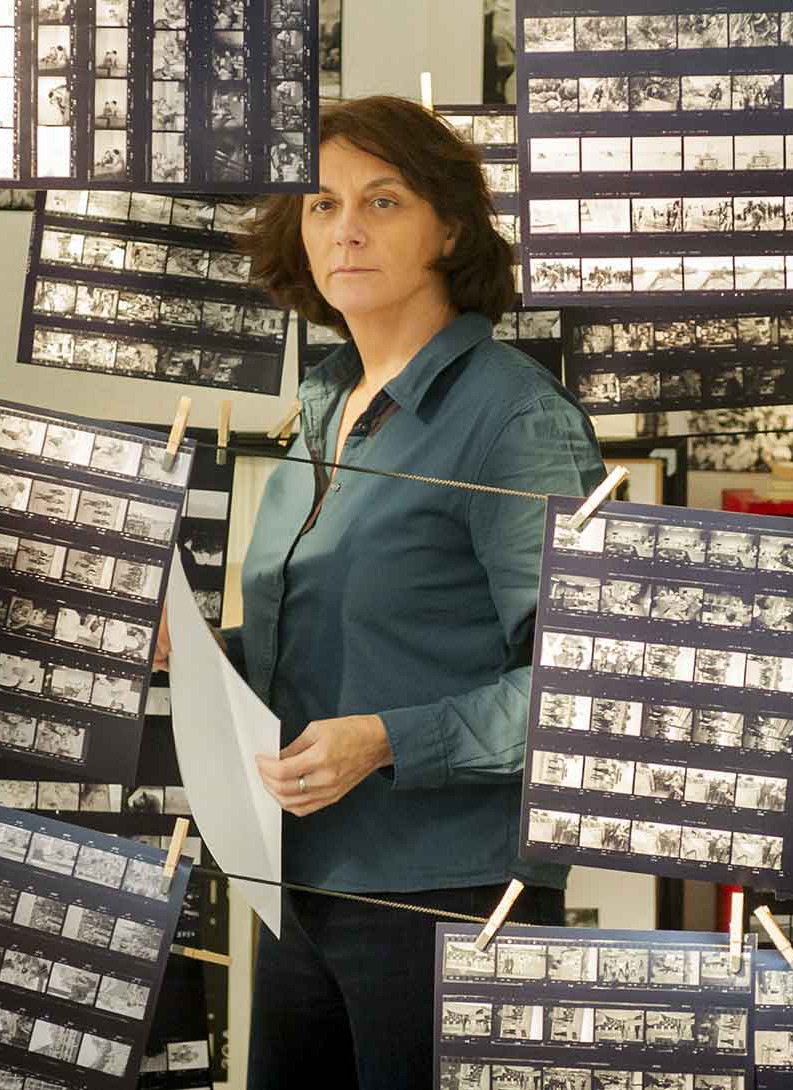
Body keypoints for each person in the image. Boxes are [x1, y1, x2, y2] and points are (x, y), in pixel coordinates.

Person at [154, 95, 603, 1089]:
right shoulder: (324, 407)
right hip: (300, 886)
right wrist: (198, 651)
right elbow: (329, 645)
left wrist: (390, 740)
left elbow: (585, 691)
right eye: (321, 202)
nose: (345, 226)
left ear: (449, 226)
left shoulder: (514, 418)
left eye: (382, 199)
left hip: (449, 899)